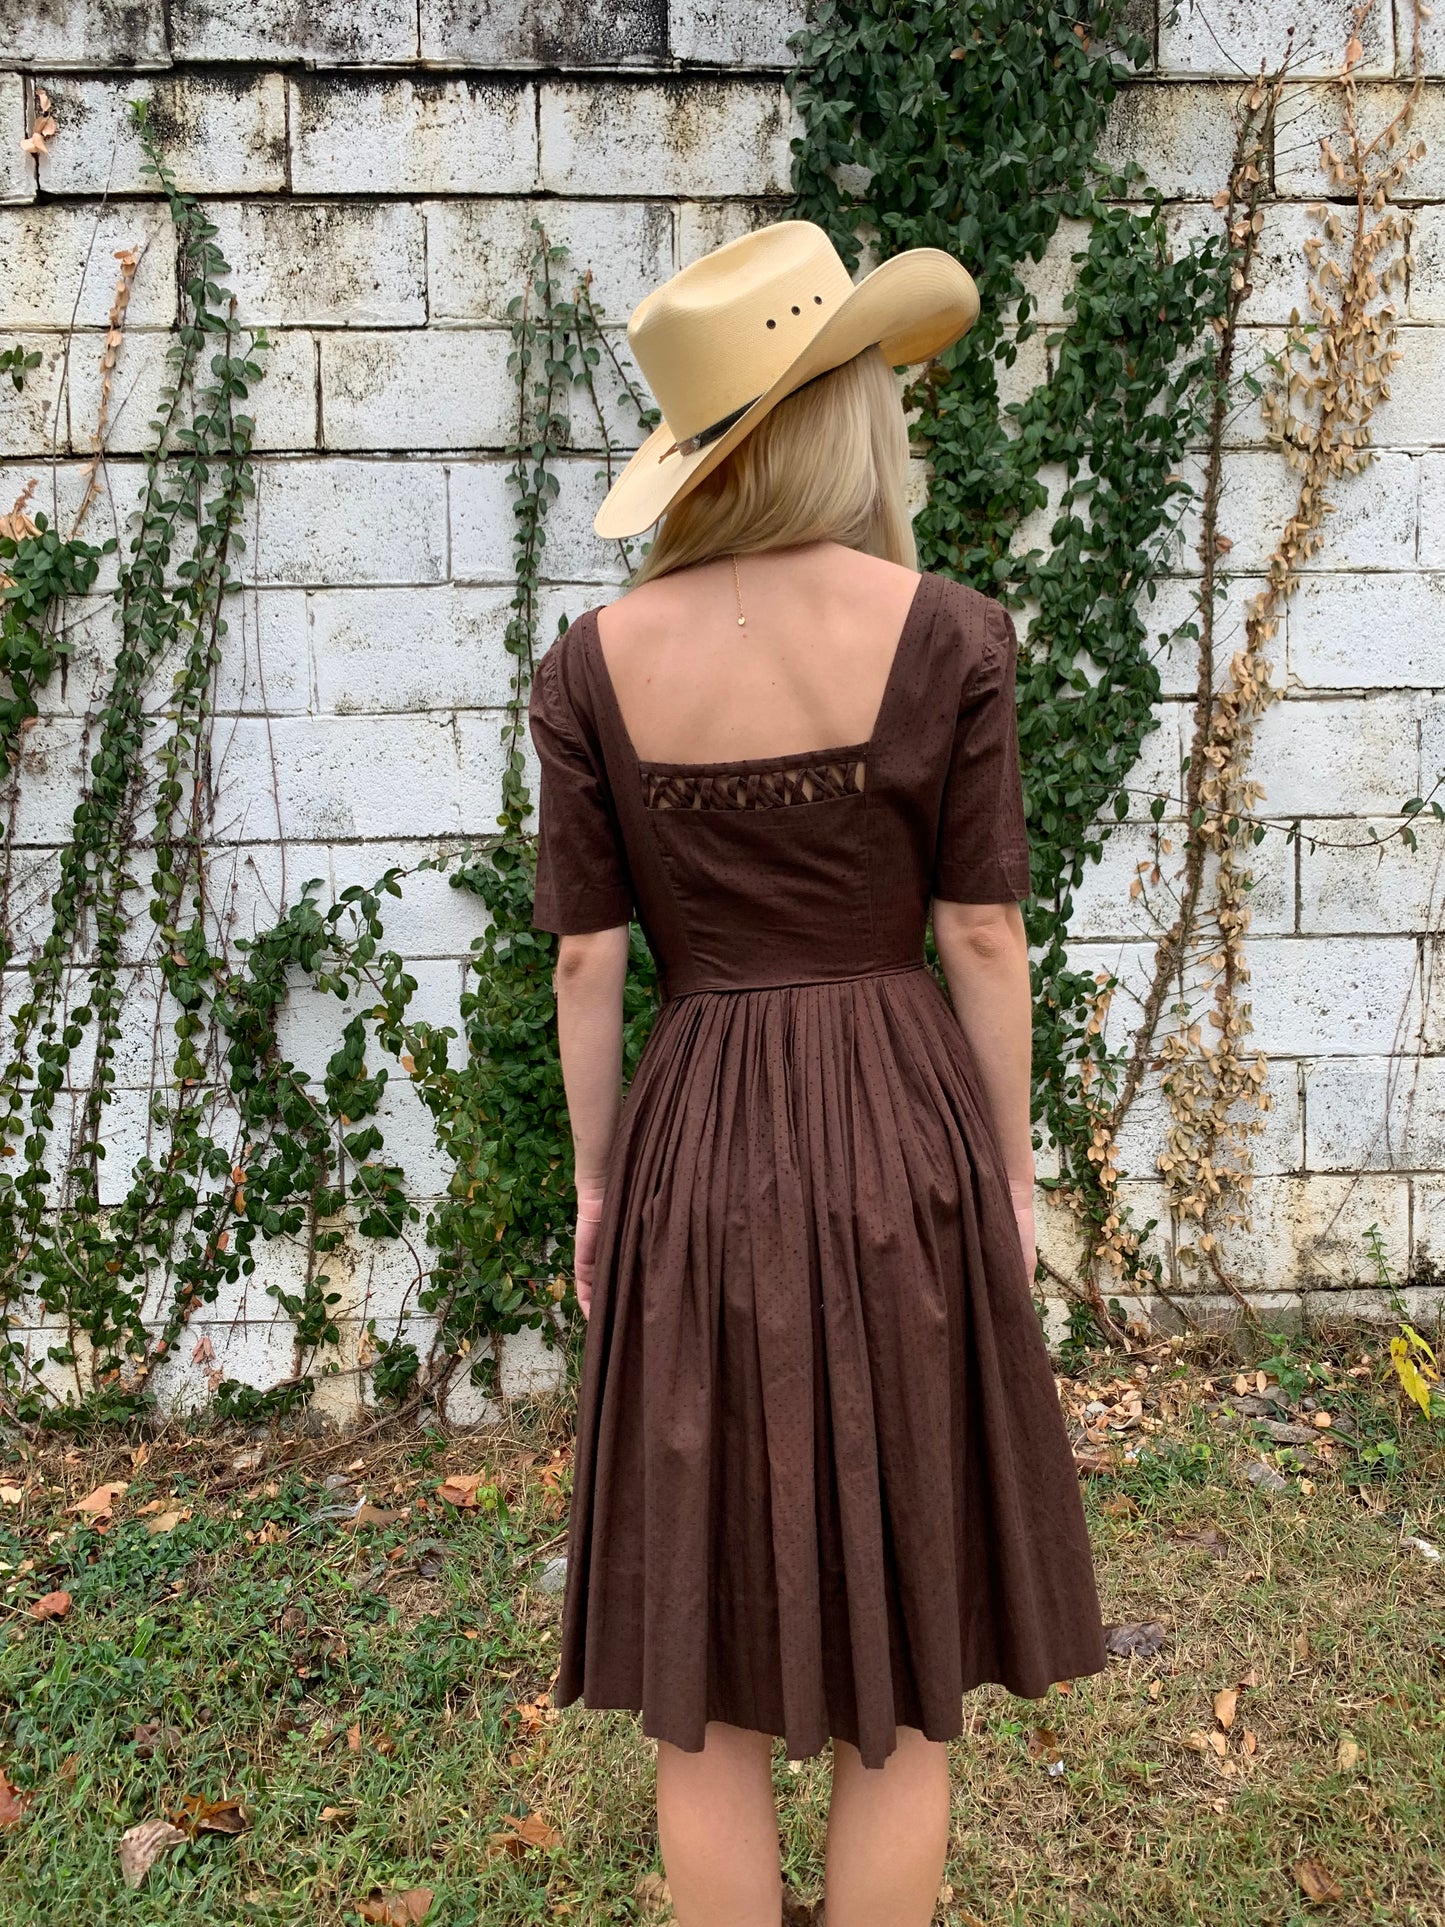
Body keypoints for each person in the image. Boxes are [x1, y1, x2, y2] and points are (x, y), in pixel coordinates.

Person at [527, 220, 1106, 1927]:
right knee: (904, 1654)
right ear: (840, 408)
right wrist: (1007, 1178)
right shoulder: (946, 635)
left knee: (695, 1688)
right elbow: (984, 942)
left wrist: (597, 1182)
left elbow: (584, 959)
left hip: (695, 1137)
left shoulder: (590, 667)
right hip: (895, 1137)